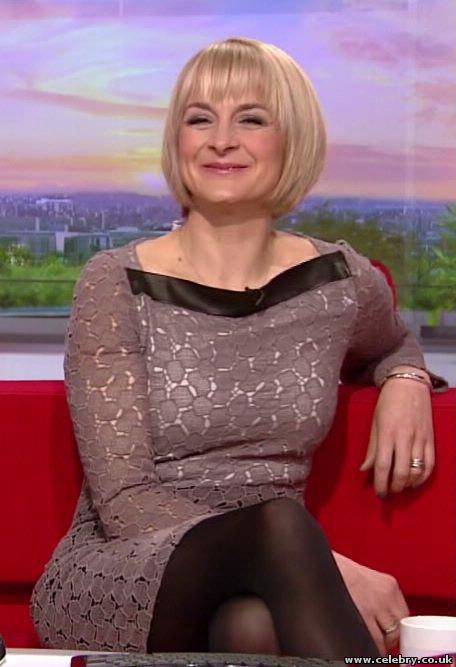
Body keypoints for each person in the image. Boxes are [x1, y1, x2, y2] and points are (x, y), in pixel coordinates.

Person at [31, 37, 447, 660]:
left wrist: (406, 378)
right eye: (200, 119)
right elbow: (123, 501)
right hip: (125, 568)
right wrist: (323, 563)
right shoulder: (115, 282)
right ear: (178, 141)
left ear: (293, 139)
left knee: (253, 626)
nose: (221, 141)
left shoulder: (340, 282)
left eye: (251, 119)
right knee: (278, 526)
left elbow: (392, 343)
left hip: (272, 579)